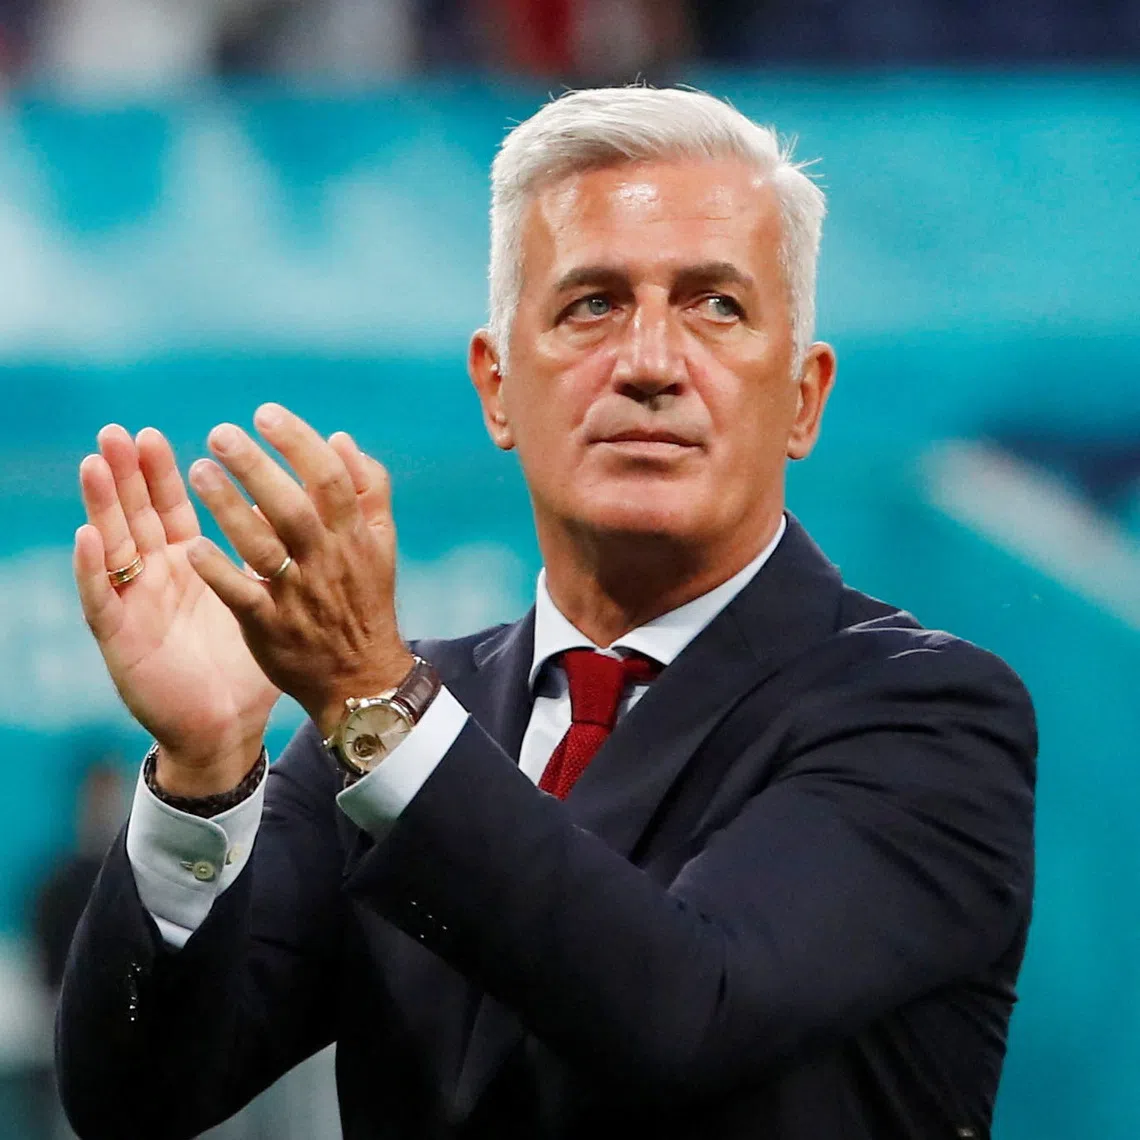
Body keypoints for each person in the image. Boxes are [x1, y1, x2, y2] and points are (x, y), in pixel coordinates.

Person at [57, 86, 1036, 1140]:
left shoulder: (930, 716)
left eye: (716, 305)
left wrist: (374, 705)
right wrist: (204, 776)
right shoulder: (398, 724)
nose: (653, 364)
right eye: (593, 304)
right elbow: (136, 1102)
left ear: (802, 397)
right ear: (497, 388)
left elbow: (685, 1012)